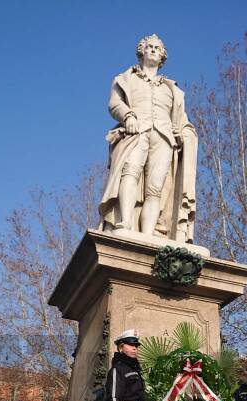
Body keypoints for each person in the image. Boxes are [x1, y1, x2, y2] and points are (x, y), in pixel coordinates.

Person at [99, 33, 198, 243]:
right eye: (149, 47)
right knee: (130, 173)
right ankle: (124, 223)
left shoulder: (172, 88)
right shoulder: (126, 78)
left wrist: (182, 134)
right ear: (141, 52)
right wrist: (127, 115)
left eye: (157, 48)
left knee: (156, 188)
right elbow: (114, 103)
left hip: (163, 137)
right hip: (136, 131)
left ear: (162, 56)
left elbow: (183, 121)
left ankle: (148, 234)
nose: (153, 50)